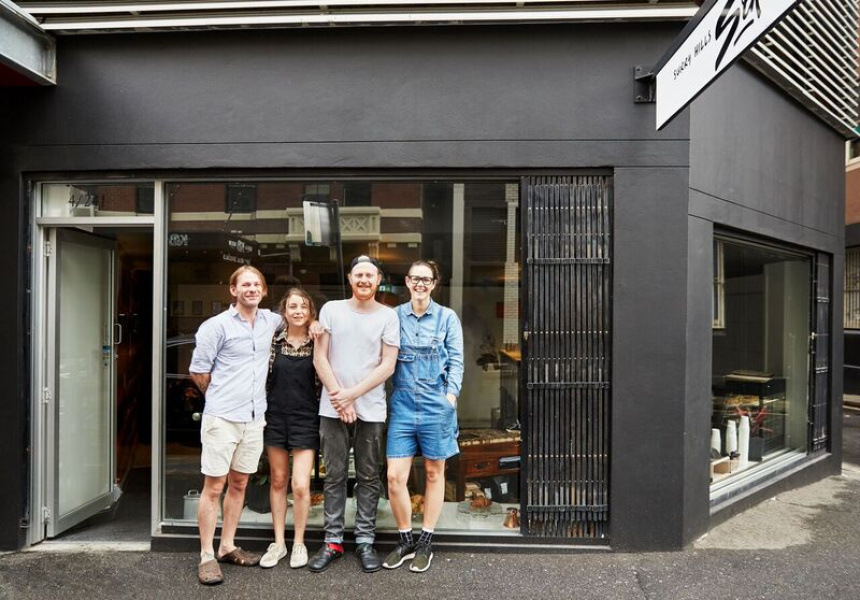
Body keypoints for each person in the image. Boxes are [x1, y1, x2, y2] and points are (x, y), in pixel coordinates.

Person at [189, 265, 283, 585]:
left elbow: (299, 319)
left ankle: (226, 546)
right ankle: (206, 555)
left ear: (264, 291)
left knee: (240, 483)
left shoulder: (271, 321)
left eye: (256, 284)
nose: (251, 289)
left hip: (254, 419)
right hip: (223, 418)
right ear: (233, 290)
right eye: (245, 285)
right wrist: (217, 398)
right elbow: (198, 370)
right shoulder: (215, 326)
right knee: (214, 486)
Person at [309, 255, 400, 573]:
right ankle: (332, 541)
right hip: (332, 408)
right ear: (350, 278)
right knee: (334, 476)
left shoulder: (388, 316)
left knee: (368, 477)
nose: (363, 280)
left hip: (370, 409)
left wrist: (352, 395)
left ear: (378, 281)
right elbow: (320, 358)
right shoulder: (331, 310)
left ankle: (364, 541)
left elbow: (388, 365)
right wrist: (341, 398)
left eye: (369, 275)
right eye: (358, 275)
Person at [383, 260, 464, 573]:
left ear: (434, 284)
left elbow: (456, 361)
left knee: (433, 473)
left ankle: (425, 542)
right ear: (407, 281)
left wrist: (450, 399)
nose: (420, 284)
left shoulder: (447, 317)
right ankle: (406, 539)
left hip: (435, 403)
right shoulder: (393, 316)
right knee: (394, 477)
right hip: (402, 405)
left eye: (426, 279)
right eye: (415, 279)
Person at [259, 288, 320, 570]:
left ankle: (299, 543)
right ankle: (279, 543)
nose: (298, 311)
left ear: (310, 312)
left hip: (306, 418)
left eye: (303, 307)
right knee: (278, 480)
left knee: (300, 484)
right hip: (275, 417)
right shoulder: (272, 341)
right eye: (293, 306)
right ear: (284, 311)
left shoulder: (318, 341)